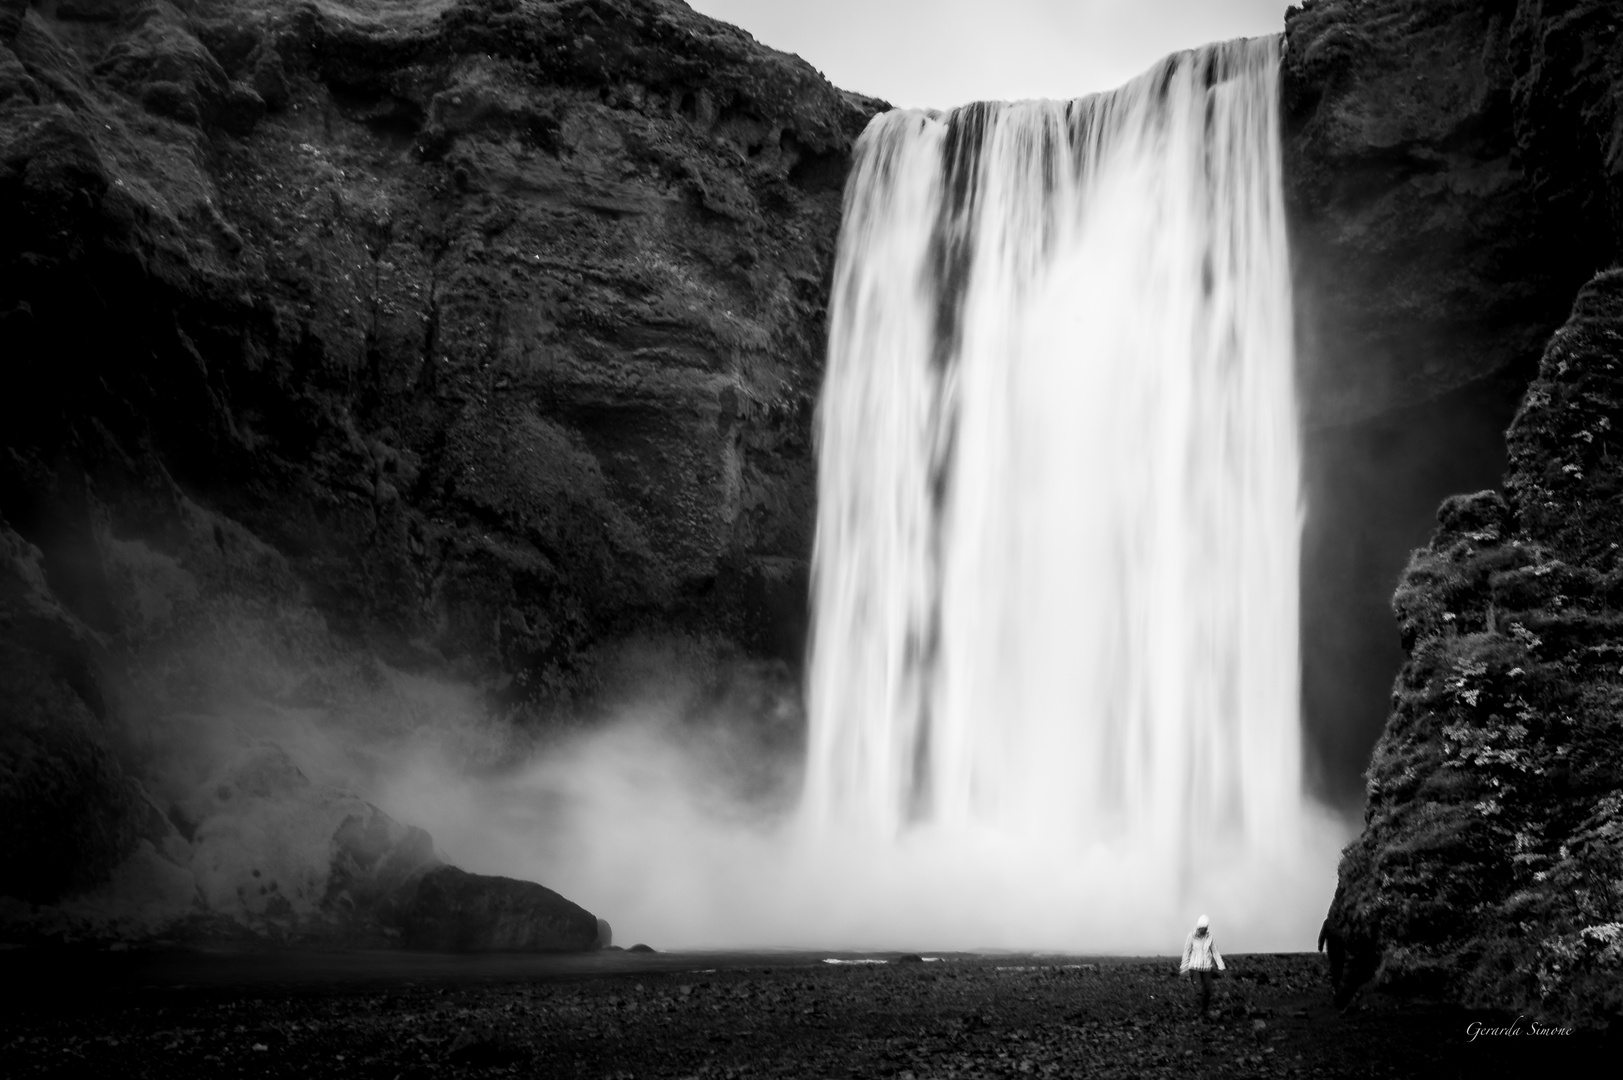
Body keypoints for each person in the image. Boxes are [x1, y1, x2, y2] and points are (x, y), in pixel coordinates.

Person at [1180, 914, 1225, 1019]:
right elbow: (1186, 952)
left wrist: (1221, 965)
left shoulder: (1210, 937)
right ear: (1198, 927)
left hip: (1207, 968)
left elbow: (1215, 952)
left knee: (1208, 990)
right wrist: (1184, 968)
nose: (1202, 931)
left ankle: (1204, 1010)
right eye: (1201, 929)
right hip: (1194, 968)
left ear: (1207, 928)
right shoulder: (1191, 936)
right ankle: (1200, 1012)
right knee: (1199, 990)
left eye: (1204, 929)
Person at [1318, 917, 1345, 998]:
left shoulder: (1329, 922)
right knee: (1337, 969)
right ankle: (1337, 988)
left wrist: (1320, 946)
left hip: (1337, 950)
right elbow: (1322, 934)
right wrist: (1320, 945)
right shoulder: (1339, 921)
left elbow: (1322, 934)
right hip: (1336, 950)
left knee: (1336, 969)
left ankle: (1337, 988)